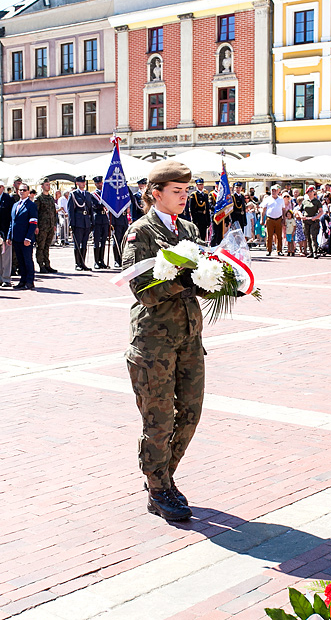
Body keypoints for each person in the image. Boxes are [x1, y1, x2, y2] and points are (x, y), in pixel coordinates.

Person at [122, 160, 205, 523]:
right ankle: (157, 488)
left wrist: (221, 279)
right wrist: (184, 280)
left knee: (190, 413)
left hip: (189, 337)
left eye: (186, 190)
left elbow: (201, 276)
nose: (184, 197)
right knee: (159, 420)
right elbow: (142, 290)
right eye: (177, 191)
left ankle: (164, 475)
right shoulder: (140, 233)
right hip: (153, 343)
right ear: (156, 194)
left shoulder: (188, 227)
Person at [9, 182, 38, 290]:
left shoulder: (31, 205)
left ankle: (30, 281)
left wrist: (28, 238)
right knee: (20, 261)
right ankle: (22, 280)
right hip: (16, 238)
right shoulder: (15, 205)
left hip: (26, 238)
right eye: (20, 190)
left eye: (24, 190)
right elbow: (12, 222)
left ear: (28, 192)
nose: (22, 192)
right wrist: (9, 236)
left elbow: (33, 223)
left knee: (27, 260)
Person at [67, 176, 93, 271]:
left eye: (84, 182)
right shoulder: (73, 194)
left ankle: (83, 263)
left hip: (86, 221)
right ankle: (77, 263)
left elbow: (90, 209)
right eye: (81, 182)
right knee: (77, 244)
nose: (83, 183)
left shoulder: (87, 194)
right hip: (78, 222)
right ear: (77, 183)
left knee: (85, 244)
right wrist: (71, 224)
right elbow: (70, 210)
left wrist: (92, 222)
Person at [35, 178, 58, 273]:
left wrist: (54, 224)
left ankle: (47, 264)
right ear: (42, 186)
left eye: (49, 184)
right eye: (46, 185)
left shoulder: (51, 198)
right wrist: (36, 226)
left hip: (50, 226)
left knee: (47, 246)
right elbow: (35, 213)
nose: (48, 186)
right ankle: (41, 265)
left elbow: (54, 212)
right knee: (40, 246)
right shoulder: (38, 198)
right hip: (41, 227)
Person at [91, 175, 111, 269]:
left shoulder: (105, 193)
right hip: (97, 218)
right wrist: (103, 203)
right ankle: (96, 261)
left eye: (100, 182)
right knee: (97, 241)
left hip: (104, 218)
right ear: (95, 184)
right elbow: (95, 206)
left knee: (103, 241)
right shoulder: (93, 195)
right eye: (98, 183)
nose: (100, 184)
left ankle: (101, 260)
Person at [260, 185, 285, 256]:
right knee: (269, 236)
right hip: (269, 219)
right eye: (272, 190)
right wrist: (262, 219)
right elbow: (263, 210)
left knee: (279, 236)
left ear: (277, 191)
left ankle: (279, 250)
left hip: (279, 219)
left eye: (275, 190)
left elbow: (283, 210)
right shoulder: (267, 199)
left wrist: (284, 219)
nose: (273, 192)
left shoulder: (281, 199)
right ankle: (269, 250)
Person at [300, 186, 323, 259]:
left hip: (313, 220)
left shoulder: (317, 201)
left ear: (314, 192)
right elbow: (299, 210)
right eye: (308, 192)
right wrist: (301, 216)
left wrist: (315, 217)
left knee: (313, 236)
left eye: (311, 192)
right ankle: (310, 251)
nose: (309, 193)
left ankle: (315, 252)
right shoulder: (305, 201)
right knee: (307, 236)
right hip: (306, 220)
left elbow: (321, 211)